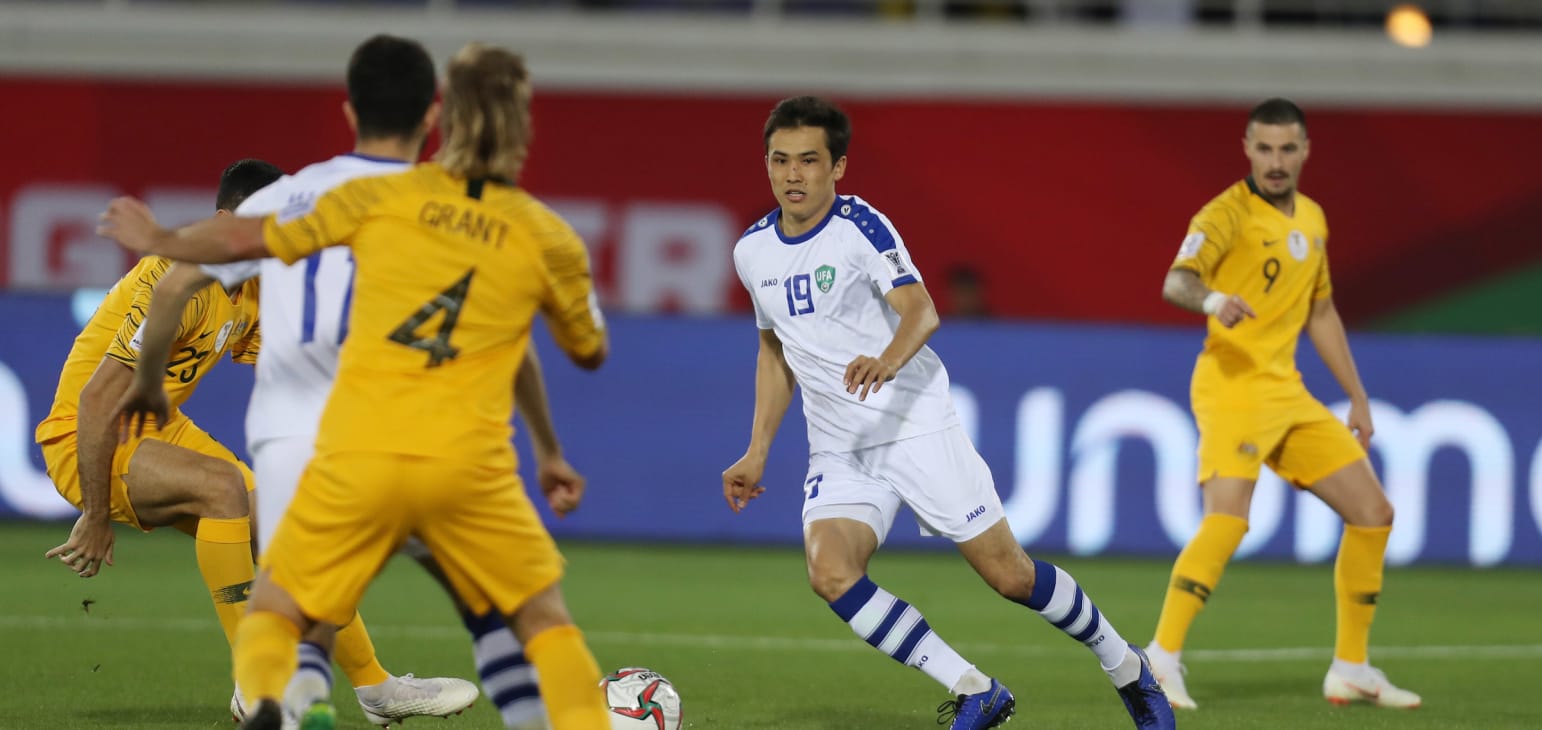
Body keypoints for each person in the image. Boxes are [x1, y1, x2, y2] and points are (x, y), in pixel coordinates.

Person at [97, 41, 611, 730]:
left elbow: (206, 263)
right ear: (430, 117)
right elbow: (574, 346)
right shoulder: (519, 223)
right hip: (453, 442)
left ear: (350, 110)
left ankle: (277, 696)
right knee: (522, 615)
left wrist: (160, 240)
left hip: (338, 439)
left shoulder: (343, 198)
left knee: (288, 600)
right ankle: (516, 710)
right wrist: (548, 448)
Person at [721, 95, 1175, 730]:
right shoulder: (752, 252)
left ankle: (1126, 666)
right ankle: (975, 690)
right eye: (780, 160)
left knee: (1011, 576)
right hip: (839, 445)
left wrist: (887, 361)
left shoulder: (861, 228)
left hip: (914, 425)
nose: (792, 174)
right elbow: (774, 351)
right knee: (831, 572)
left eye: (809, 160)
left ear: (838, 167)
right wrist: (758, 450)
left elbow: (922, 311)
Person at [1147, 97, 1420, 711]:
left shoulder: (1314, 219)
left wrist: (1357, 397)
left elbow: (1320, 311)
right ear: (1247, 148)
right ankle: (1159, 661)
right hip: (1232, 383)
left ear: (1305, 151)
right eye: (1265, 148)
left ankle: (1351, 668)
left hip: (1286, 390)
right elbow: (1177, 280)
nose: (1275, 161)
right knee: (1228, 519)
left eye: (1287, 149)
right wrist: (1214, 301)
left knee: (1373, 512)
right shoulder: (1225, 214)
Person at [36, 158, 270, 716]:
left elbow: (281, 373)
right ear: (225, 220)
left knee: (285, 527)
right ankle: (258, 686)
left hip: (159, 429)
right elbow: (96, 401)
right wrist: (96, 514)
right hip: (85, 434)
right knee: (223, 488)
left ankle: (374, 686)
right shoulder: (176, 281)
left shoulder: (255, 285)